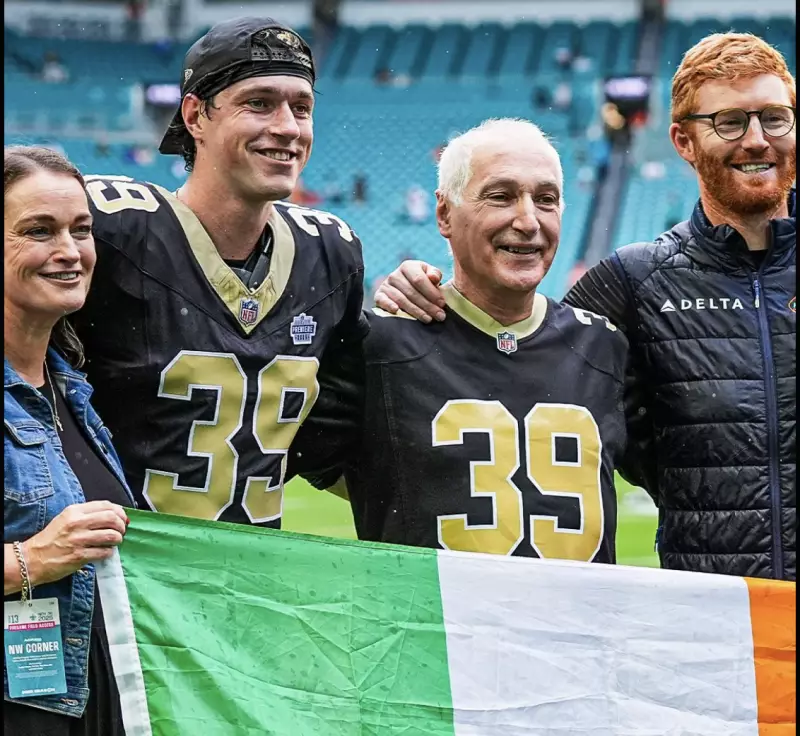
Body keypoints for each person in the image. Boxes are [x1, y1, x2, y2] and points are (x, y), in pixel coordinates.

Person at [373, 33, 797, 580]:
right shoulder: (634, 280)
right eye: (730, 122)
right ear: (684, 141)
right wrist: (423, 289)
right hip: (716, 624)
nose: (758, 139)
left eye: (775, 117)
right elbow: (515, 349)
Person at [69, 17, 368, 528]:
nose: (288, 127)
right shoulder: (109, 230)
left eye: (302, 107)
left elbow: (335, 434)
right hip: (111, 581)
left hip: (242, 584)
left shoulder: (330, 254)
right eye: (259, 103)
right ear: (195, 115)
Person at [291, 119, 628, 562]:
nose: (528, 221)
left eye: (546, 199)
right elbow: (282, 449)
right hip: (434, 629)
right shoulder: (378, 348)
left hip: (576, 631)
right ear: (444, 213)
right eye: (501, 196)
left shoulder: (605, 347)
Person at [4, 146, 134, 734]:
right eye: (38, 231)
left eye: (81, 230)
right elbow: (44, 555)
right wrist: (28, 561)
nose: (69, 252)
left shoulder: (70, 388)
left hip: (86, 706)